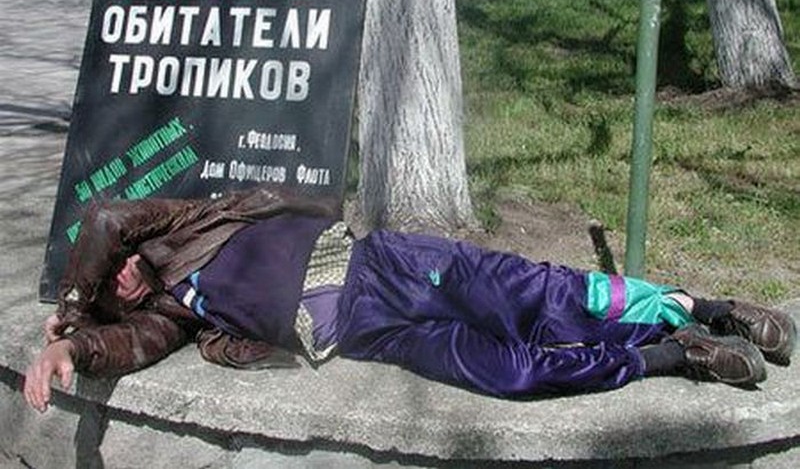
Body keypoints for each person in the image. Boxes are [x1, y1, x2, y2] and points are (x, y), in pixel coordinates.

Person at [24, 187, 796, 412]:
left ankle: (703, 307)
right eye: (112, 290)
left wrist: (75, 302)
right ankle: (673, 355)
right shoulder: (172, 313)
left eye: (115, 267)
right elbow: (125, 346)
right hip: (372, 333)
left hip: (386, 266)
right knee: (515, 372)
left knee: (545, 297)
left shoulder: (188, 222)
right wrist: (75, 344)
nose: (121, 276)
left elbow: (105, 218)